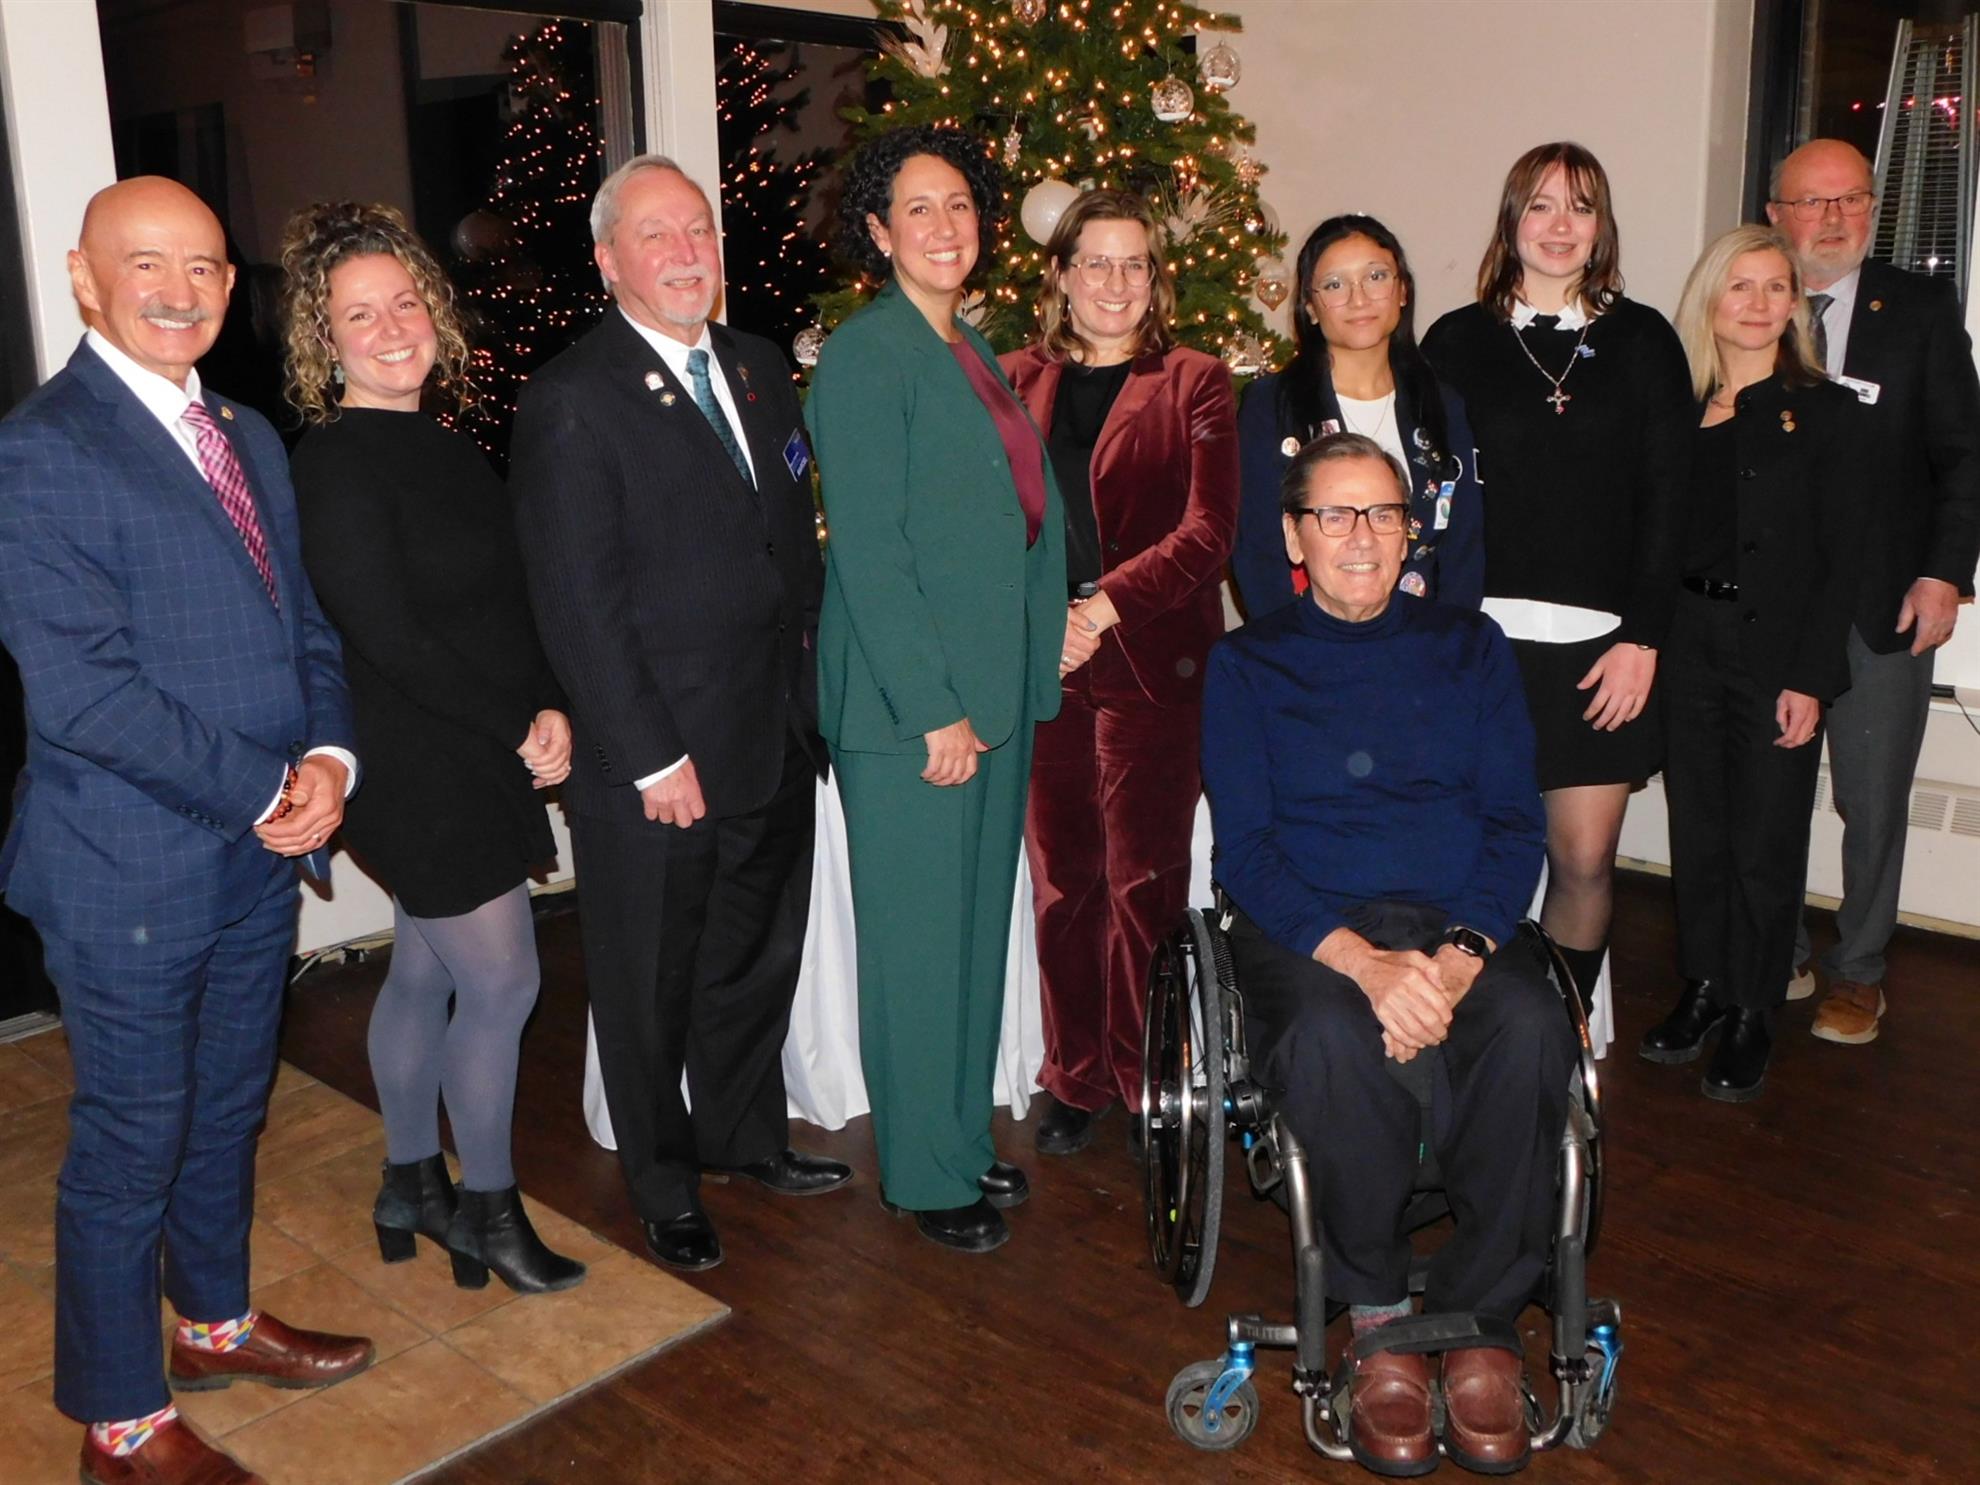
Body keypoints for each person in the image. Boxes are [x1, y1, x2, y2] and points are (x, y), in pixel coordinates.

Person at [0, 177, 372, 1485]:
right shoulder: (43, 449)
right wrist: (269, 788)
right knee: (129, 1145)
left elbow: (303, 630)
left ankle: (212, 1327)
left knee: (226, 1114)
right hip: (126, 870)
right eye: (145, 263)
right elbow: (86, 694)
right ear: (85, 277)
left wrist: (327, 757)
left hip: (250, 862)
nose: (180, 288)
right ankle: (118, 1423)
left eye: (206, 265)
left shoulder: (250, 436)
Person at [511, 155, 850, 1275]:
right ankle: (663, 1184)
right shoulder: (571, 400)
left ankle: (744, 1140)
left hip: (770, 735)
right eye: (655, 236)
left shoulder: (757, 367)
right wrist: (652, 755)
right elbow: (578, 603)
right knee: (650, 983)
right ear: (609, 262)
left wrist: (814, 707)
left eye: (697, 230)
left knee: (754, 959)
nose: (685, 252)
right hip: (654, 761)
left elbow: (787, 550)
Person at [1203, 432, 1565, 1478]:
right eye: (1335, 515)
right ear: (1293, 536)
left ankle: (1482, 1320)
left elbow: (1512, 822)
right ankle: (1375, 1315)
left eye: (1382, 514)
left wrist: (1457, 956)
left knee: (1534, 1022)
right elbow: (1249, 850)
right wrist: (1362, 963)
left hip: (1457, 918)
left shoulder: (1471, 646)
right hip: (1309, 927)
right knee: (1327, 1032)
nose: (1361, 537)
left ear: (1411, 531)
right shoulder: (1249, 664)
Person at [280, 201, 584, 1292]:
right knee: (501, 983)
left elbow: (507, 604)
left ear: (435, 312)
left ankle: (412, 1181)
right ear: (327, 340)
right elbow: (390, 635)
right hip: (412, 760)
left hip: (473, 740)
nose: (392, 326)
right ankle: (488, 1211)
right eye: (360, 314)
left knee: (423, 968)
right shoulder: (334, 462)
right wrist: (514, 725)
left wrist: (549, 702)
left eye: (405, 301)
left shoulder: (449, 447)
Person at [808, 124, 1065, 1252]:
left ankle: (960, 1139)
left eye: (959, 204)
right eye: (919, 207)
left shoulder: (970, 345)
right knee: (918, 949)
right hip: (917, 714)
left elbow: (1013, 522)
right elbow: (870, 552)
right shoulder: (869, 357)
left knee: (967, 941)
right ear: (878, 230)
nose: (945, 225)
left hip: (988, 699)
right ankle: (920, 1172)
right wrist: (934, 709)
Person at [1424, 141, 1692, 1008]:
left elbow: (1669, 501)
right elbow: (1429, 498)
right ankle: (1472, 1028)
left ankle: (1564, 1032)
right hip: (1482, 651)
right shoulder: (1456, 341)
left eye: (1580, 206)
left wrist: (1644, 637)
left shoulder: (1646, 339)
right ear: (1511, 220)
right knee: (1470, 855)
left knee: (1582, 861)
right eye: (1540, 205)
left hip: (1602, 654)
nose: (1560, 224)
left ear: (1602, 225)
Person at [999, 188, 1237, 1156]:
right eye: (1094, 262)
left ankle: (1149, 1080)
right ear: (1059, 275)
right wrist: (1037, 623)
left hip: (1149, 664)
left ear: (1156, 280)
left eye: (1133, 264)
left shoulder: (1196, 380)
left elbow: (1209, 530)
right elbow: (985, 522)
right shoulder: (1012, 378)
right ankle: (1078, 1075)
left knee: (1144, 883)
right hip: (1044, 665)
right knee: (1064, 883)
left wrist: (1098, 610)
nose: (1114, 282)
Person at [1638, 226, 1865, 1101]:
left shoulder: (1827, 410)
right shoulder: (1679, 408)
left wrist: (1810, 677)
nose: (1761, 302)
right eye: (1742, 285)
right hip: (1687, 638)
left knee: (1766, 841)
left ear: (1794, 307)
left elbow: (1841, 562)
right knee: (1699, 831)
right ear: (1711, 299)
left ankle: (1753, 1010)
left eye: (1778, 287)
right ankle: (1702, 987)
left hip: (1775, 651)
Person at [1764, 139, 1980, 1043]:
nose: (1835, 218)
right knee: (1767, 791)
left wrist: (1943, 575)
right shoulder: (1748, 301)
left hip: (1882, 600)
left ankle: (1859, 969)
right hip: (1771, 597)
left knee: (1872, 796)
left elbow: (1963, 455)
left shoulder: (1920, 308)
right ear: (1777, 215)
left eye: (1851, 199)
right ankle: (1774, 950)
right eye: (1813, 203)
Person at [1233, 213, 1482, 617]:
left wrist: (1450, 646)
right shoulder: (1271, 405)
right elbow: (1257, 550)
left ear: (1402, 290)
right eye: (1334, 285)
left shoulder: (1442, 403)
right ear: (1310, 307)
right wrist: (1293, 655)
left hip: (1423, 649)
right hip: (1309, 651)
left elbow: (1465, 547)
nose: (1358, 298)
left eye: (1376, 277)